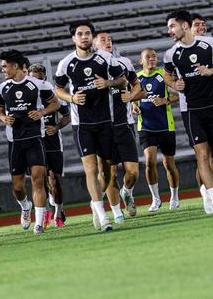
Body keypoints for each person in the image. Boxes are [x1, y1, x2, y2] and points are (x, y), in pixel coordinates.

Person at [54, 22, 127, 231]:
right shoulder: (66, 63)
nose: (84, 37)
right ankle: (103, 217)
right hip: (82, 125)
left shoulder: (104, 58)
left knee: (106, 172)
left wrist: (108, 83)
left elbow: (122, 80)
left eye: (87, 33)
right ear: (73, 39)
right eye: (80, 34)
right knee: (90, 169)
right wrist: (71, 98)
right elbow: (58, 89)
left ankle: (95, 203)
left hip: (105, 121)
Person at [162, 9, 213, 215]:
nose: (169, 31)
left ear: (185, 25)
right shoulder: (171, 53)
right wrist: (175, 84)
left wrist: (210, 71)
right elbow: (167, 77)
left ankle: (208, 186)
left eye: (172, 26)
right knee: (202, 154)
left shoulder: (208, 44)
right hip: (191, 110)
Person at [0, 49, 57, 232]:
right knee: (18, 187)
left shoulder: (38, 85)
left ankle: (39, 224)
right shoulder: (2, 88)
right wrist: (4, 118)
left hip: (35, 138)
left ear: (15, 66)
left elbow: (55, 104)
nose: (3, 70)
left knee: (38, 180)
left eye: (4, 66)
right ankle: (25, 207)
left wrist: (42, 112)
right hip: (15, 142)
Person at [96, 30, 141, 222]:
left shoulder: (123, 63)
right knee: (109, 173)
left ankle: (127, 192)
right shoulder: (88, 66)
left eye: (110, 39)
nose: (108, 42)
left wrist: (131, 96)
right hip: (102, 127)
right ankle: (112, 211)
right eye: (103, 39)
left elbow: (136, 84)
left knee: (133, 172)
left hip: (125, 124)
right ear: (94, 44)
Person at [134, 48, 180, 212]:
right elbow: (131, 97)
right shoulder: (137, 78)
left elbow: (179, 94)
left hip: (165, 125)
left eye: (154, 56)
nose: (152, 59)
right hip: (146, 126)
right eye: (147, 57)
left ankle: (174, 196)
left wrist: (166, 100)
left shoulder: (163, 75)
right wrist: (134, 106)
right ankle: (155, 198)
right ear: (141, 61)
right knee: (149, 161)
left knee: (169, 163)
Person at [29, 63, 67, 227]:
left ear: (44, 78)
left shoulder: (51, 94)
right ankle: (44, 213)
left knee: (55, 180)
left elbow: (67, 115)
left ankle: (58, 212)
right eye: (33, 78)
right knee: (40, 180)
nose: (37, 82)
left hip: (53, 143)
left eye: (40, 78)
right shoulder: (24, 96)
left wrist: (57, 127)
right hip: (35, 142)